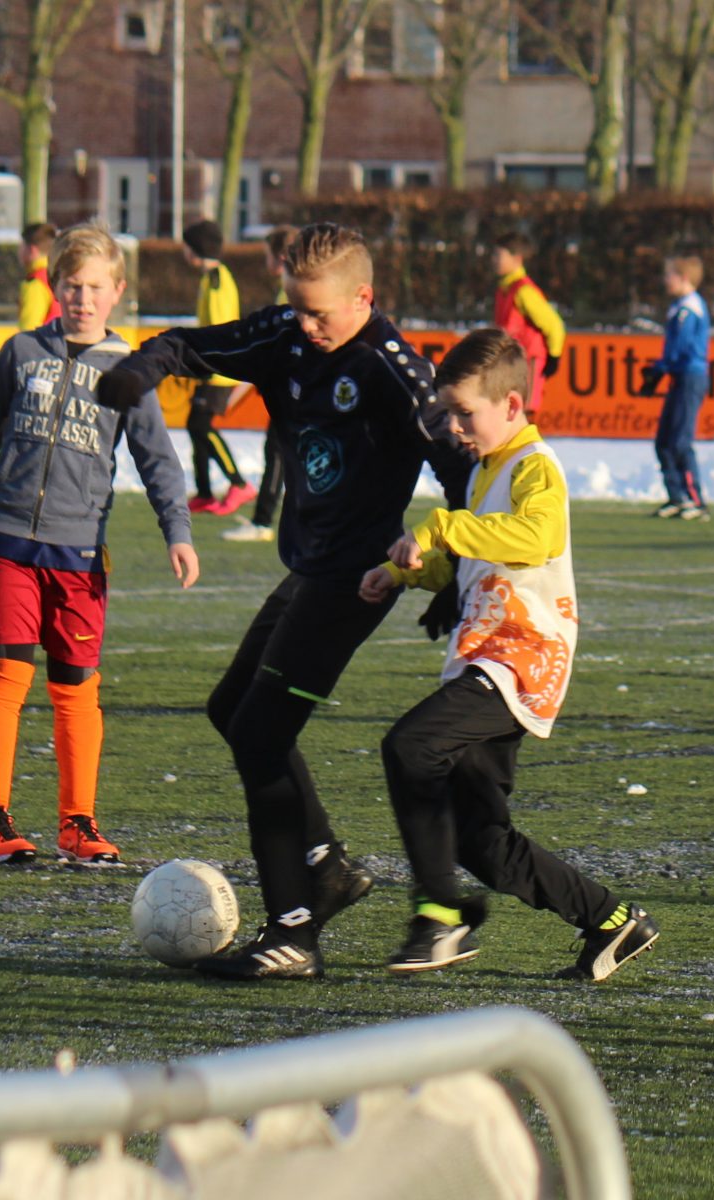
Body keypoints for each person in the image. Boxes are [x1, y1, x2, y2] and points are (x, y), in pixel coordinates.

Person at [95, 222, 474, 980]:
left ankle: (295, 928)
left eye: (319, 314)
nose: (303, 326)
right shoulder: (286, 333)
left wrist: (453, 570)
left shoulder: (394, 370)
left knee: (263, 733)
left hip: (358, 578)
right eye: (296, 309)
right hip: (308, 566)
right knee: (230, 709)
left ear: (363, 298)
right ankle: (326, 866)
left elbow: (463, 470)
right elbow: (186, 343)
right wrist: (138, 373)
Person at [360, 329, 659, 978]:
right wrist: (407, 573)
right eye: (451, 414)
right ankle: (612, 920)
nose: (457, 427)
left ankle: (439, 917)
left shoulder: (534, 466)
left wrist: (439, 525)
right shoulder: (485, 472)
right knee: (482, 842)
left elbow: (536, 537)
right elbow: (471, 559)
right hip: (484, 657)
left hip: (522, 657)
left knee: (410, 747)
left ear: (514, 406)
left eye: (467, 413)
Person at [0, 221, 199, 867]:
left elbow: (158, 462)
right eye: (72, 285)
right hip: (10, 541)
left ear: (117, 291)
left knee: (76, 689)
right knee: (5, 678)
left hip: (79, 555)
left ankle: (79, 824)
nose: (83, 298)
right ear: (54, 284)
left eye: (96, 287)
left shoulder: (130, 370)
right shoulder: (20, 353)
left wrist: (176, 532)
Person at [222, 225, 296, 544]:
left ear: (279, 258)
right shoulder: (293, 290)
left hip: (290, 391)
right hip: (294, 388)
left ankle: (263, 521)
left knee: (278, 454)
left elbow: (274, 349)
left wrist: (244, 384)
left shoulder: (289, 292)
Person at [181, 220, 255, 517]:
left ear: (194, 249)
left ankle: (238, 484)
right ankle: (204, 493)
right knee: (194, 425)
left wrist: (212, 363)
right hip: (211, 366)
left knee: (201, 425)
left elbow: (222, 328)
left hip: (219, 369)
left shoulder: (217, 280)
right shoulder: (211, 277)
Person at [639, 255, 710, 520]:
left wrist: (660, 368)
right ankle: (677, 496)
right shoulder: (680, 307)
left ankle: (696, 500)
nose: (665, 280)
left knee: (680, 440)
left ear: (683, 278)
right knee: (664, 441)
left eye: (669, 275)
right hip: (680, 376)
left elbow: (680, 348)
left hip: (690, 376)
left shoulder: (689, 308)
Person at [490, 232, 567, 416]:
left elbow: (554, 324)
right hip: (511, 362)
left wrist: (554, 356)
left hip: (527, 362)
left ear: (517, 259)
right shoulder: (505, 289)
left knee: (523, 414)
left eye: (498, 255)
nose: (493, 260)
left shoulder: (524, 290)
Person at [18, 223, 61, 330]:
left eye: (21, 247)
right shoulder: (61, 275)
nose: (19, 251)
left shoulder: (36, 282)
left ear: (32, 250)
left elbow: (29, 328)